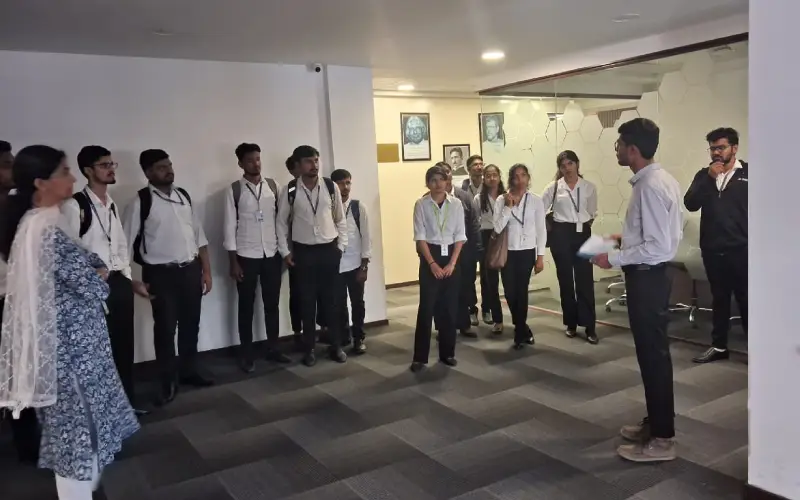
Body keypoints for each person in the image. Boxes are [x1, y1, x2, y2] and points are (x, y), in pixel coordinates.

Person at [0, 145, 138, 499]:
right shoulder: (44, 230)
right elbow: (93, 283)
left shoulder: (40, 222)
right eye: (64, 171)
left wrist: (97, 270)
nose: (72, 178)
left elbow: (90, 262)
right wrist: (99, 274)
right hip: (71, 354)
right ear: (40, 182)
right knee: (77, 434)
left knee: (81, 430)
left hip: (74, 348)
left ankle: (84, 487)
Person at [591, 118, 682, 463]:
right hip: (649, 276)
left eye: (618, 144)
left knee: (654, 357)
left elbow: (658, 247)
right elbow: (658, 235)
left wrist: (612, 258)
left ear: (632, 149)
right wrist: (625, 239)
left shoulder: (650, 186)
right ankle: (656, 424)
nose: (616, 149)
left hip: (648, 277)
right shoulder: (659, 180)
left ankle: (663, 439)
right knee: (651, 355)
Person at [61, 146, 150, 416]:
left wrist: (129, 279)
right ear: (88, 170)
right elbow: (69, 252)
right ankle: (104, 412)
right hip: (93, 288)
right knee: (100, 352)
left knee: (124, 346)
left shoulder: (110, 204)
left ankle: (127, 405)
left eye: (112, 164)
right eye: (104, 165)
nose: (111, 169)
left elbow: (120, 246)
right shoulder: (74, 206)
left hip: (118, 283)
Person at [122, 149, 214, 407]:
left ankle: (189, 370)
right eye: (162, 167)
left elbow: (199, 237)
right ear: (148, 172)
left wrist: (206, 271)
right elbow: (124, 246)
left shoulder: (183, 196)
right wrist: (130, 281)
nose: (169, 170)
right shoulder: (140, 202)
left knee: (190, 324)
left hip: (190, 269)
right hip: (160, 275)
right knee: (164, 329)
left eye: (169, 165)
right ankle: (167, 381)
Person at [276, 145, 348, 367]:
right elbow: (281, 223)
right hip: (304, 252)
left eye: (316, 160)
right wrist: (285, 251)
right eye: (308, 161)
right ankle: (309, 349)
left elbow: (340, 219)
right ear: (298, 165)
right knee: (307, 303)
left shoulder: (330, 186)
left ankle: (335, 346)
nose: (314, 165)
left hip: (329, 250)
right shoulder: (290, 190)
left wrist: (341, 246)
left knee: (332, 301)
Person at [223, 143, 290, 373]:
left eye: (258, 159)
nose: (256, 164)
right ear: (241, 163)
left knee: (272, 305)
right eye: (250, 160)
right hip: (246, 256)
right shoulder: (234, 190)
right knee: (246, 306)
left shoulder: (273, 186)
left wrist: (284, 252)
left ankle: (274, 348)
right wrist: (233, 262)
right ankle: (246, 354)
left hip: (271, 254)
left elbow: (281, 222)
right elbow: (229, 227)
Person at [684, 127, 748, 364]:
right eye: (712, 148)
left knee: (746, 300)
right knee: (719, 299)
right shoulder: (704, 175)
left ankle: (756, 349)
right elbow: (690, 203)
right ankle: (719, 346)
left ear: (734, 148)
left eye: (721, 147)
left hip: (742, 248)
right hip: (713, 248)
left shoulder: (749, 173)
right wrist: (709, 179)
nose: (716, 153)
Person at [0, 140, 40, 464]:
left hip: (20, 302)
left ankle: (27, 442)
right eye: (5, 164)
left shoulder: (18, 208)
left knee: (21, 373)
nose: (12, 169)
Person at [410, 165, 466, 373]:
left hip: (452, 255)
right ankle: (420, 357)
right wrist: (432, 264)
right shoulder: (421, 204)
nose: (438, 184)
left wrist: (452, 264)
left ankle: (447, 353)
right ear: (428, 183)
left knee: (449, 308)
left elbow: (460, 236)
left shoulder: (456, 204)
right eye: (433, 180)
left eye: (442, 179)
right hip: (430, 255)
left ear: (447, 182)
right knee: (427, 308)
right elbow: (420, 237)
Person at [542, 150, 599, 344]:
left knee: (585, 279)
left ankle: (590, 325)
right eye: (563, 165)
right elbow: (540, 209)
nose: (567, 168)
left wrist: (581, 227)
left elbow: (592, 212)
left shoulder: (589, 187)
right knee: (565, 279)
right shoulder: (554, 187)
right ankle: (571, 323)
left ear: (577, 164)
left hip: (583, 233)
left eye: (570, 164)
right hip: (561, 234)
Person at [493, 164, 546, 349]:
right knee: (509, 291)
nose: (520, 180)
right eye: (516, 176)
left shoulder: (536, 200)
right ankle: (523, 327)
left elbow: (541, 230)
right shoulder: (502, 200)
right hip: (507, 251)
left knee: (521, 291)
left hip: (527, 251)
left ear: (528, 178)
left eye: (523, 175)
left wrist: (540, 256)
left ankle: (519, 331)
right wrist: (508, 208)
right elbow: (497, 227)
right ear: (511, 180)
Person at [330, 168, 371, 354]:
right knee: (338, 305)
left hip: (355, 264)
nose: (345, 187)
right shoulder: (328, 207)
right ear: (333, 186)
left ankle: (358, 337)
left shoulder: (358, 207)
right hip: (336, 266)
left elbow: (366, 237)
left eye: (348, 183)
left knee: (357, 303)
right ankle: (343, 336)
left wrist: (364, 266)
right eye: (341, 183)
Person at [440, 162, 481, 336]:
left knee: (464, 288)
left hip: (464, 251)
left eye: (447, 172)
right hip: (442, 251)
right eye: (441, 173)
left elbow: (473, 223)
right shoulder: (430, 199)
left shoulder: (463, 196)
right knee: (443, 291)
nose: (445, 176)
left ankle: (464, 324)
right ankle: (443, 327)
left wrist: (476, 249)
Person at [476, 164, 505, 334]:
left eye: (495, 175)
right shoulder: (478, 199)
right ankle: (497, 319)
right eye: (488, 175)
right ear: (484, 178)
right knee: (491, 282)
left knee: (508, 281)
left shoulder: (507, 196)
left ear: (499, 177)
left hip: (505, 237)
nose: (492, 178)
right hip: (487, 238)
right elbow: (475, 222)